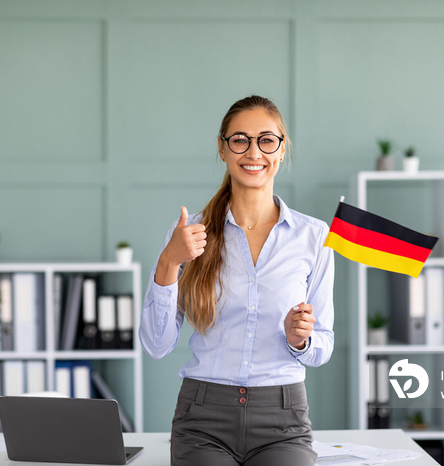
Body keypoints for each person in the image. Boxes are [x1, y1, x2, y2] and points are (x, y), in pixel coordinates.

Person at [140, 95, 335, 466]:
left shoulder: (314, 237)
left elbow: (322, 345)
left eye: (266, 140)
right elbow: (155, 344)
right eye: (240, 139)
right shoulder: (189, 232)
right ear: (223, 149)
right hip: (202, 419)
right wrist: (169, 261)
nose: (253, 152)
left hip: (283, 420)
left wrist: (301, 340)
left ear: (281, 150)